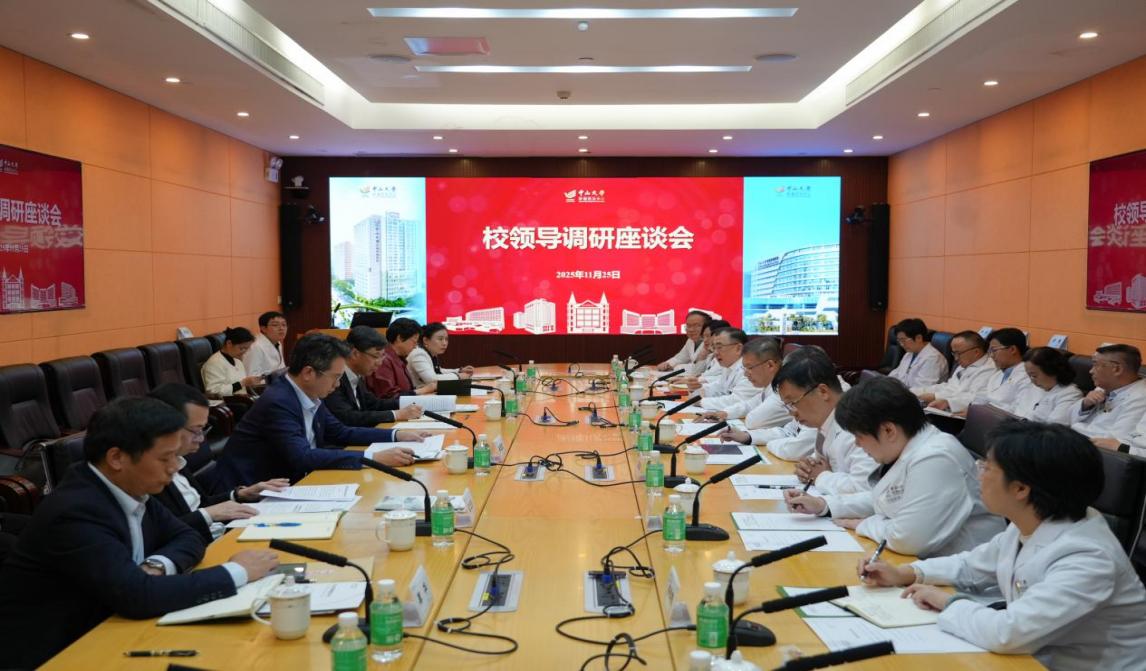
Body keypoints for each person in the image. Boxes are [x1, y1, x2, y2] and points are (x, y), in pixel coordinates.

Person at [0, 397, 280, 669]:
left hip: (117, 629)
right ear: (117, 457)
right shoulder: (76, 510)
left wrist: (156, 566)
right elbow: (137, 596)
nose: (175, 467)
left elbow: (189, 536)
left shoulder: (130, 487)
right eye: (165, 458)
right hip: (60, 652)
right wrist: (236, 571)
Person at [862, 421, 1146, 670]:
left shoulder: (1088, 557)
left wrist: (948, 603)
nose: (979, 474)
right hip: (1034, 656)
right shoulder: (1033, 521)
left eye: (986, 467)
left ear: (1021, 489)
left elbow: (1008, 633)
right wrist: (907, 573)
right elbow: (971, 565)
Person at [785, 377, 1002, 557]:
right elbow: (886, 500)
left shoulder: (937, 457)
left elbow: (907, 538)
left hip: (962, 582)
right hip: (923, 566)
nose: (858, 444)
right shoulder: (912, 447)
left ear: (889, 430)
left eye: (859, 436)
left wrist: (863, 524)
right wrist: (824, 505)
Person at [210, 333, 424, 492]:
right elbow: (302, 456)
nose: (338, 385)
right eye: (335, 377)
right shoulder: (279, 402)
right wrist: (373, 457)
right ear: (308, 373)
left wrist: (396, 435)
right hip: (252, 493)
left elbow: (340, 432)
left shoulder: (308, 393)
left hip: (295, 482)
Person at [148, 383, 288, 541]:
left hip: (216, 534)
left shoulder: (179, 459)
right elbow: (160, 534)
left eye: (203, 429)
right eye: (196, 430)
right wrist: (208, 514)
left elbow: (202, 504)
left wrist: (240, 494)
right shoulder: (148, 473)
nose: (201, 439)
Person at [771, 347, 877, 494]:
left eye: (793, 402)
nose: (792, 412)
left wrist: (821, 476)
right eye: (788, 405)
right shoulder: (827, 420)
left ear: (823, 392)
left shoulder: (858, 425)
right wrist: (808, 467)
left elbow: (867, 488)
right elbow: (824, 465)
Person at [325, 326, 425, 427]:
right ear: (355, 353)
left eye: (382, 356)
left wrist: (413, 403)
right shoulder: (335, 379)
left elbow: (375, 404)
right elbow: (347, 417)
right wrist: (396, 414)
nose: (379, 363)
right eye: (376, 356)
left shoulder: (357, 374)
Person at [1069, 344, 1146, 448]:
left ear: (1117, 369)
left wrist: (1076, 427)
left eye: (1095, 365)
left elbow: (1114, 441)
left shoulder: (1140, 398)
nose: (1091, 371)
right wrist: (1085, 404)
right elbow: (1069, 417)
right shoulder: (1104, 386)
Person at [706, 336, 790, 424]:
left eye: (750, 367)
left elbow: (753, 421)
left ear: (770, 365)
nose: (746, 374)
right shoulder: (769, 386)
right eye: (745, 368)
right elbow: (749, 405)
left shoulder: (783, 391)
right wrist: (725, 413)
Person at [913, 330, 995, 413]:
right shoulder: (965, 364)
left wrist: (936, 397)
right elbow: (949, 386)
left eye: (958, 353)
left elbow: (975, 398)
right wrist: (917, 392)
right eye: (954, 353)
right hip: (947, 408)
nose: (956, 358)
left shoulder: (989, 369)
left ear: (976, 352)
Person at [365, 317, 437, 399]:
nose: (415, 347)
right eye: (414, 342)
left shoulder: (399, 358)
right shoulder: (383, 360)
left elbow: (405, 390)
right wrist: (423, 390)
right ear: (400, 338)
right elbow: (389, 396)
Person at [693, 328, 759, 414]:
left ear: (738, 348)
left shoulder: (750, 368)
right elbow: (718, 388)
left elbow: (738, 400)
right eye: (714, 348)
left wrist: (701, 402)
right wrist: (696, 389)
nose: (715, 352)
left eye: (719, 347)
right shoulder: (728, 366)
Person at [969, 327, 1034, 414]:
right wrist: (972, 410)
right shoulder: (998, 373)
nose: (991, 355)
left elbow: (1018, 410)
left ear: (1012, 349)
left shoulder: (1028, 376)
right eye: (989, 351)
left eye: (994, 350)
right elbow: (982, 396)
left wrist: (985, 412)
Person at [1010, 347, 1082, 425]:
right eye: (1029, 375)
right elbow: (1013, 409)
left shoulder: (1070, 394)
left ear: (1051, 371)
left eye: (1034, 376)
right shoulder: (1032, 387)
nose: (1031, 380)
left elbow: (1054, 428)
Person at [407, 322, 475, 388]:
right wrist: (458, 376)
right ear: (426, 340)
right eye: (440, 339)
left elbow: (438, 371)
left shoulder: (429, 352)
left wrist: (459, 370)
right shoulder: (419, 354)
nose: (444, 343)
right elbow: (432, 379)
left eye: (446, 339)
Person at [201, 326, 262, 397]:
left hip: (243, 398)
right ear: (229, 343)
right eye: (242, 348)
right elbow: (214, 391)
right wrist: (242, 383)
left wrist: (251, 383)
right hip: (227, 402)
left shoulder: (237, 360)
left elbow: (242, 387)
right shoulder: (214, 363)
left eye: (247, 349)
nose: (244, 352)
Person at [887, 318, 948, 389]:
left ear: (919, 338)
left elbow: (922, 388)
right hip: (903, 391)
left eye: (903, 340)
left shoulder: (933, 358)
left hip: (920, 395)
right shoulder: (909, 354)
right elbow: (896, 374)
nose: (901, 344)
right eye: (899, 341)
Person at [678, 319, 732, 389]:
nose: (705, 340)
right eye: (703, 337)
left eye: (708, 336)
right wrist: (702, 355)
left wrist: (695, 380)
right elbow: (696, 373)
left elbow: (720, 379)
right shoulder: (711, 355)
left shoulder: (728, 358)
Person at [657, 310, 711, 375]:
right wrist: (667, 364)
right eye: (688, 326)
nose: (691, 330)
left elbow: (700, 369)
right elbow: (680, 358)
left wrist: (677, 367)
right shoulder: (690, 341)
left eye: (696, 325)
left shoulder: (712, 342)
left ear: (707, 327)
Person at [243, 311, 288, 377]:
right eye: (275, 325)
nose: (281, 328)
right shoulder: (255, 347)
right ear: (264, 329)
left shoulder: (277, 342)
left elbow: (281, 368)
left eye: (284, 325)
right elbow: (251, 377)